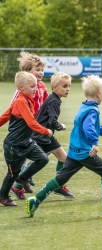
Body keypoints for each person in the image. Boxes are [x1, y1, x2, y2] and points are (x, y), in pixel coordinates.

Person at [26, 75, 102, 217]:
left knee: (60, 179)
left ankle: (35, 200)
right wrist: (95, 143)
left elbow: (93, 128)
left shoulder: (85, 105)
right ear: (99, 93)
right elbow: (89, 128)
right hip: (85, 152)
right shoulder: (92, 110)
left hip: (74, 151)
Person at [11, 72, 74, 200]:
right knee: (40, 160)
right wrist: (60, 126)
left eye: (69, 86)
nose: (68, 89)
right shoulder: (54, 102)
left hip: (45, 136)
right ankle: (19, 182)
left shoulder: (53, 99)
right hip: (41, 136)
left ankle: (59, 185)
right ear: (55, 87)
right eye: (64, 86)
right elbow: (52, 121)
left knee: (63, 157)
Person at [0, 71, 52, 206]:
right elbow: (31, 123)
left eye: (36, 85)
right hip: (14, 146)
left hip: (26, 142)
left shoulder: (27, 100)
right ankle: (3, 196)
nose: (36, 88)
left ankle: (23, 178)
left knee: (43, 158)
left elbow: (5, 117)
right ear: (21, 88)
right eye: (32, 86)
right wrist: (46, 131)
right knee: (12, 174)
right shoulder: (21, 101)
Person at [11, 51, 49, 193]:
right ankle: (19, 183)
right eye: (37, 70)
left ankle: (24, 178)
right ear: (27, 72)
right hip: (26, 128)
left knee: (44, 150)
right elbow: (13, 109)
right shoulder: (20, 92)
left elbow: (45, 104)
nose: (40, 73)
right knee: (24, 155)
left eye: (42, 70)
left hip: (38, 126)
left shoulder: (42, 86)